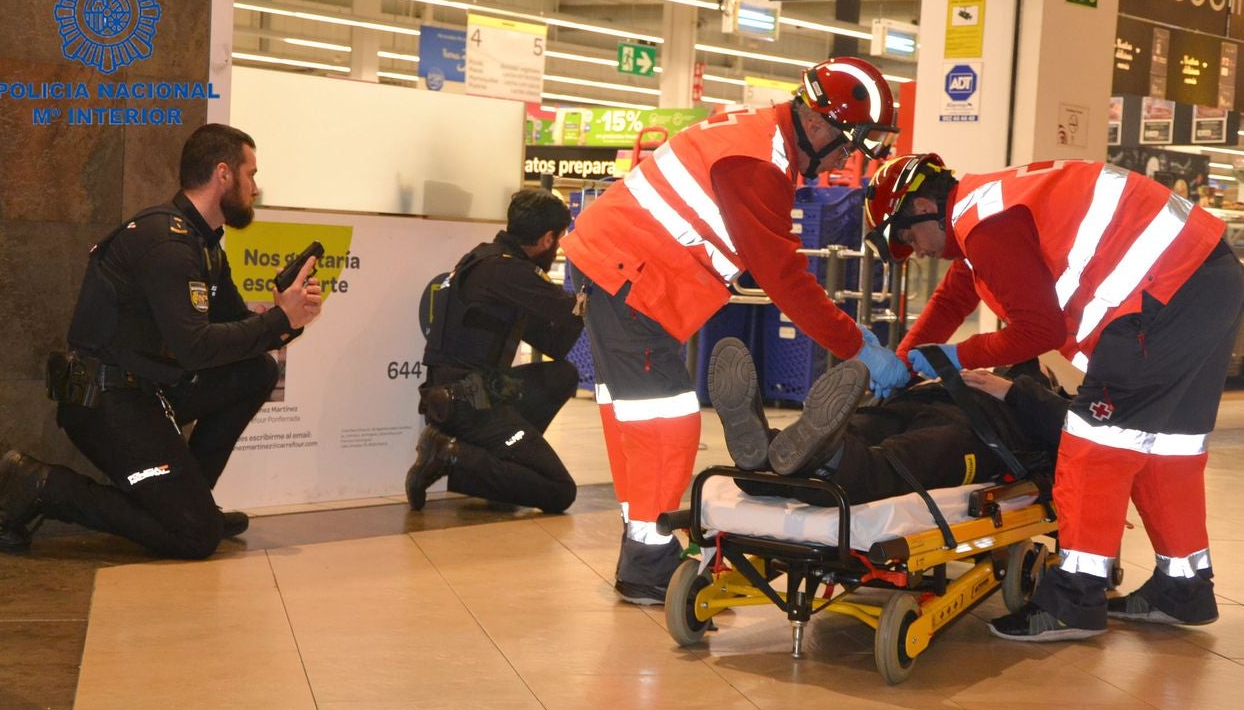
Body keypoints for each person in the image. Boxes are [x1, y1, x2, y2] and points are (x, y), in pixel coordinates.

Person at [560, 56, 911, 604]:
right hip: (633, 277)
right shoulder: (754, 163)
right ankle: (647, 558)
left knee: (633, 417)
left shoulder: (757, 139)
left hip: (621, 271)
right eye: (848, 143)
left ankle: (644, 542)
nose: (847, 157)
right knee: (667, 419)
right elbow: (784, 278)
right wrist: (857, 345)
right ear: (816, 124)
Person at [863, 153, 1244, 641]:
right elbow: (953, 299)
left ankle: (1073, 600)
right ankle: (1183, 588)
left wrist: (955, 357)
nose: (914, 251)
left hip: (1162, 295)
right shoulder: (985, 210)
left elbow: (1037, 330)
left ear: (922, 206)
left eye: (908, 237)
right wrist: (906, 358)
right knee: (1168, 449)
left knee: (1093, 447)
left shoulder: (988, 226)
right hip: (1207, 277)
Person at [0, 124, 323, 559]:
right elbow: (195, 348)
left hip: (148, 391)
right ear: (223, 174)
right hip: (105, 400)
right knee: (195, 538)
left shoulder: (204, 246)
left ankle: (190, 499)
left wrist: (287, 316)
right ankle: (43, 485)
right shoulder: (167, 242)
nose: (255, 187)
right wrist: (278, 321)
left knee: (257, 371)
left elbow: (238, 331)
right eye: (250, 174)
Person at [706, 337, 1065, 507]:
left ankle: (776, 466)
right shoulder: (983, 350)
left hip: (981, 432)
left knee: (902, 458)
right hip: (919, 398)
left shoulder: (1048, 392)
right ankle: (768, 452)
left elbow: (1071, 431)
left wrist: (1015, 392)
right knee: (849, 430)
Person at [407, 188, 584, 514]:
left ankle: (496, 468)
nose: (557, 248)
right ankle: (450, 453)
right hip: (469, 401)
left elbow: (555, 343)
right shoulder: (508, 270)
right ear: (547, 239)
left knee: (561, 375)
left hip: (471, 392)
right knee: (560, 491)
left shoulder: (487, 260)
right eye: (558, 240)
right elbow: (570, 309)